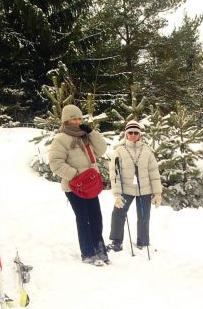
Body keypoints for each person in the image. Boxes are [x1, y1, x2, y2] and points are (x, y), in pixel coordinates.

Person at [48, 104, 110, 266]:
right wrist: (76, 176)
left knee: (96, 218)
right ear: (66, 120)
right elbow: (55, 163)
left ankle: (100, 249)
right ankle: (88, 253)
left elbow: (102, 150)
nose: (77, 122)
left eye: (79, 118)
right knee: (84, 219)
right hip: (74, 186)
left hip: (90, 185)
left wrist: (92, 132)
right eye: (73, 118)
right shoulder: (61, 139)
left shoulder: (85, 136)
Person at [107, 121, 162, 251]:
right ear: (126, 134)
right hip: (126, 189)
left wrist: (157, 193)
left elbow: (154, 173)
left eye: (135, 133)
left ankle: (143, 241)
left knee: (144, 217)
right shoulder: (119, 151)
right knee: (118, 214)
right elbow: (115, 174)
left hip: (145, 190)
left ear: (139, 135)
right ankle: (116, 242)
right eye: (130, 132)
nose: (133, 135)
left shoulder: (147, 151)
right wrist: (117, 194)